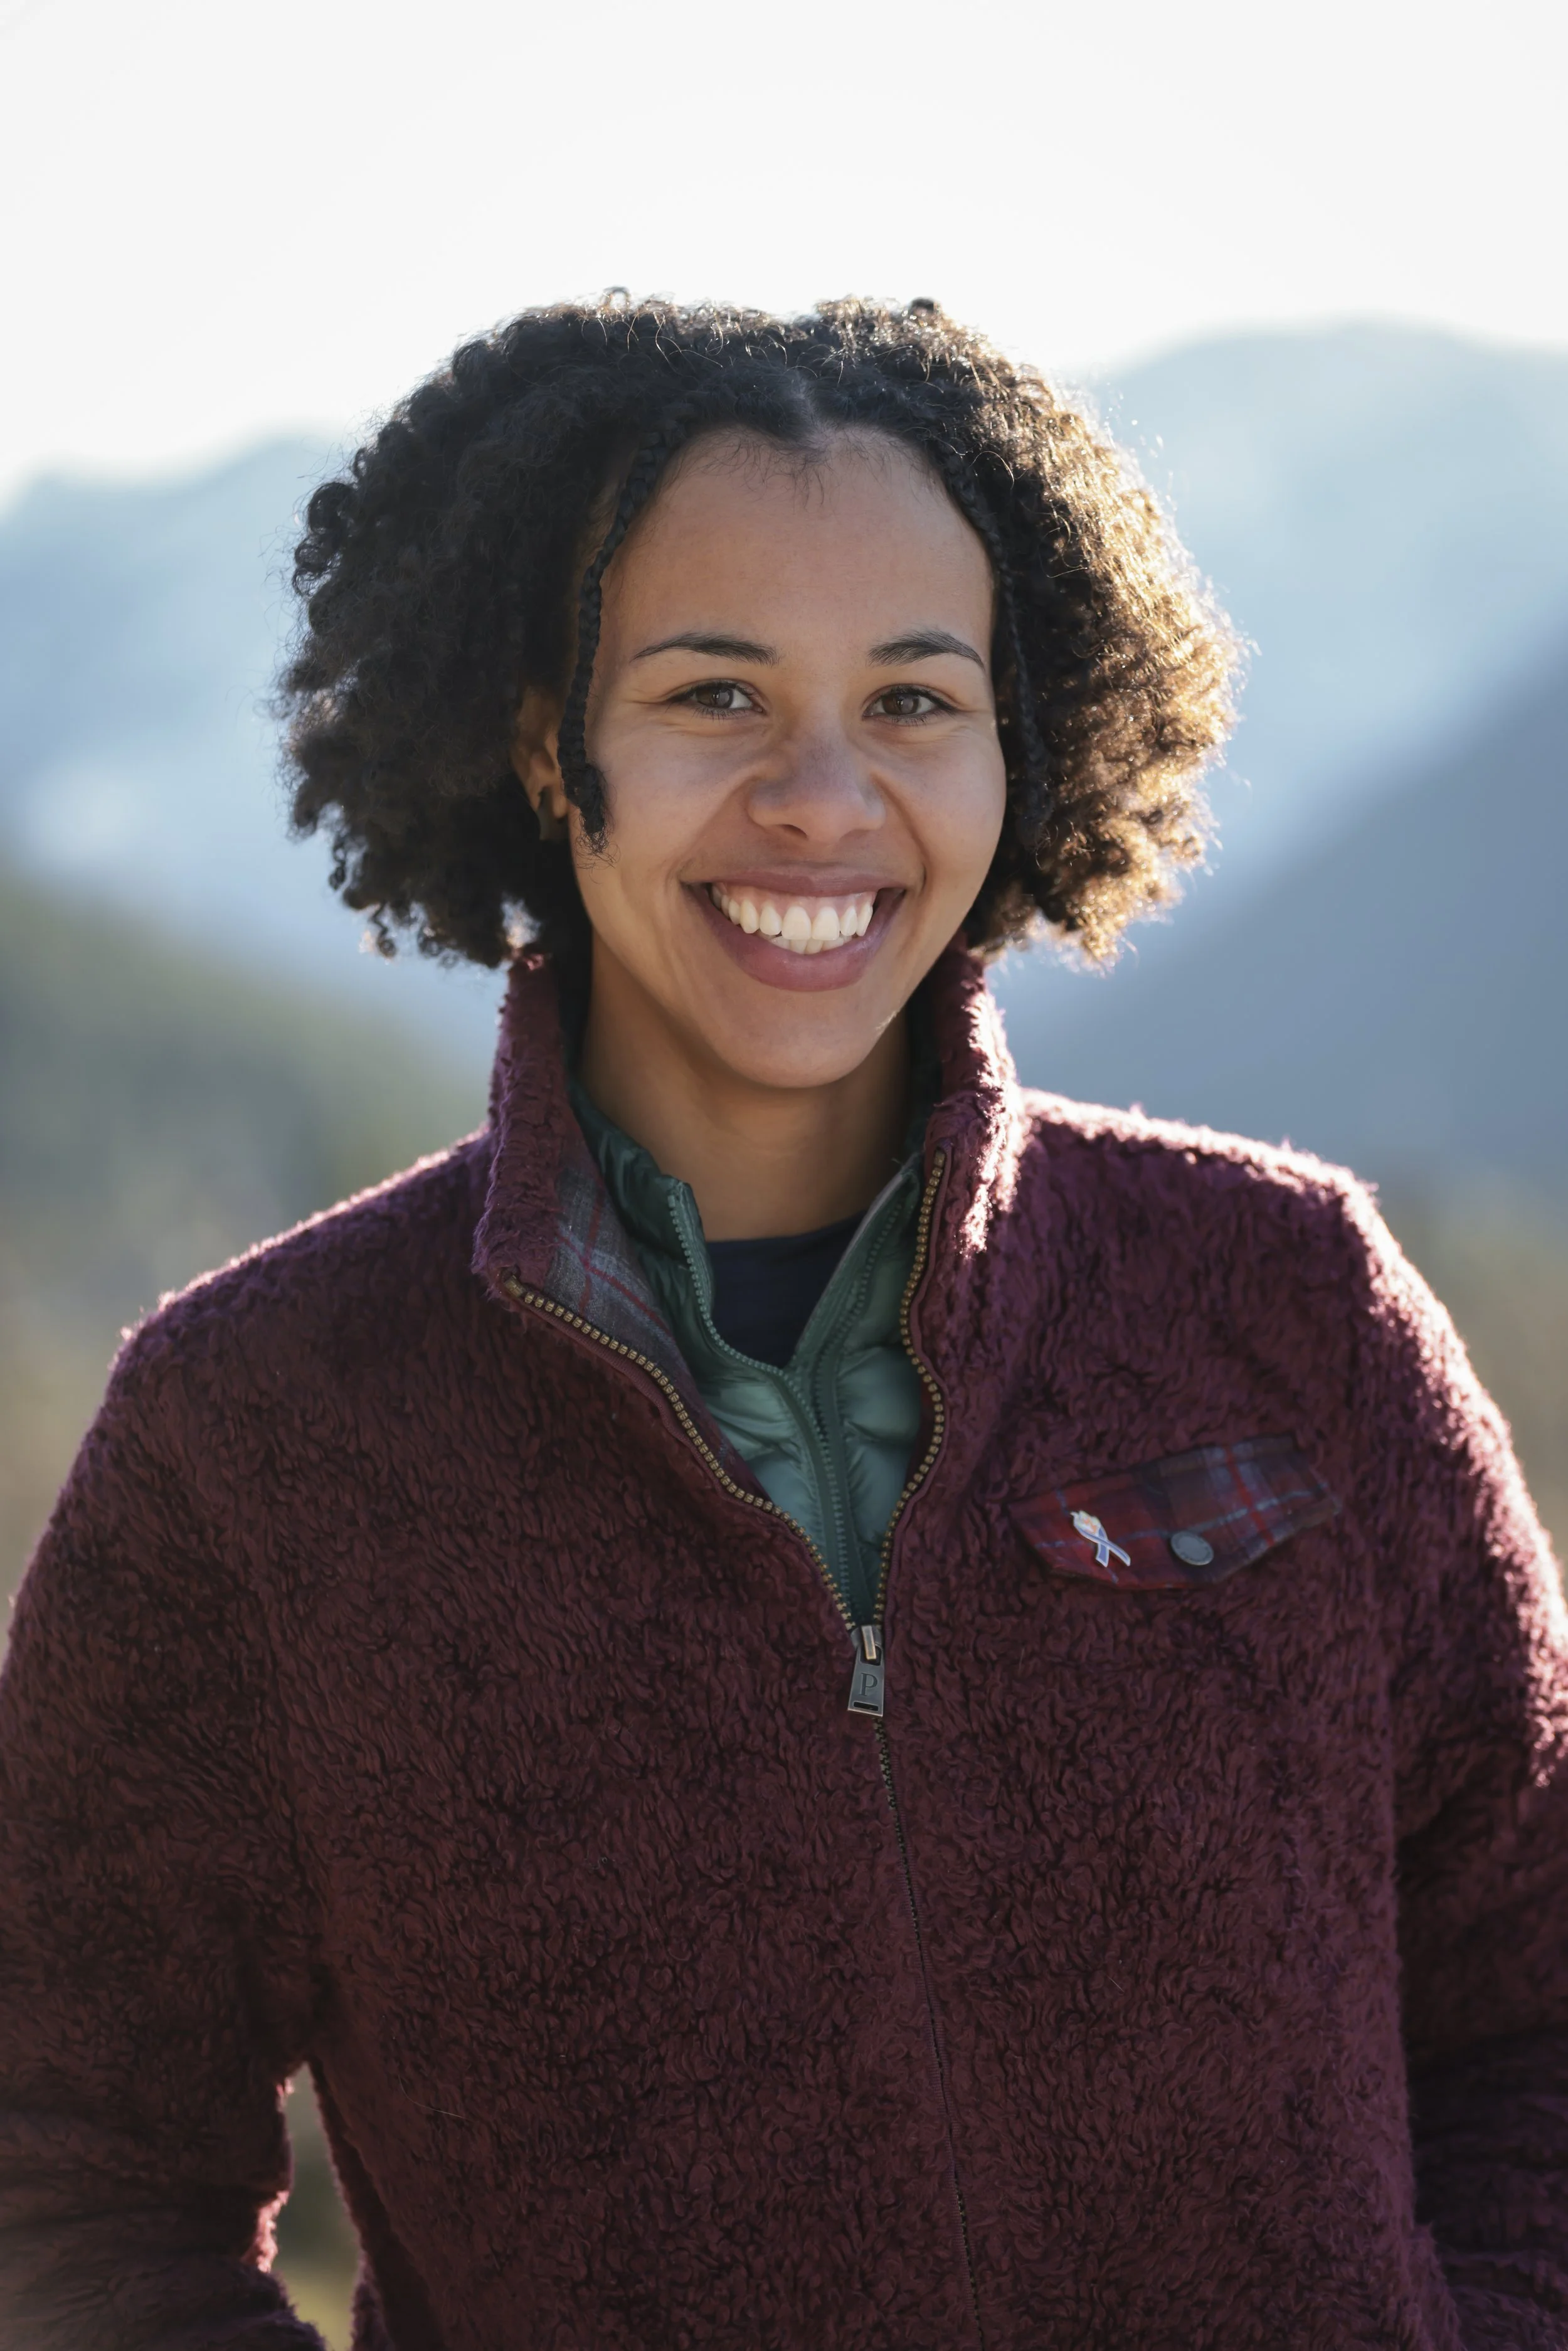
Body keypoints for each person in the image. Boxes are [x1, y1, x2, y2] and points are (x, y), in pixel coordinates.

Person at [1, 295, 1565, 2351]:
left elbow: (1532, 2017)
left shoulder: (1287, 1306)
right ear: (547, 745)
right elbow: (74, 2174)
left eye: (914, 699)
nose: (825, 799)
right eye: (715, 693)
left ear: (1026, 740)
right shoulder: (256, 1436)